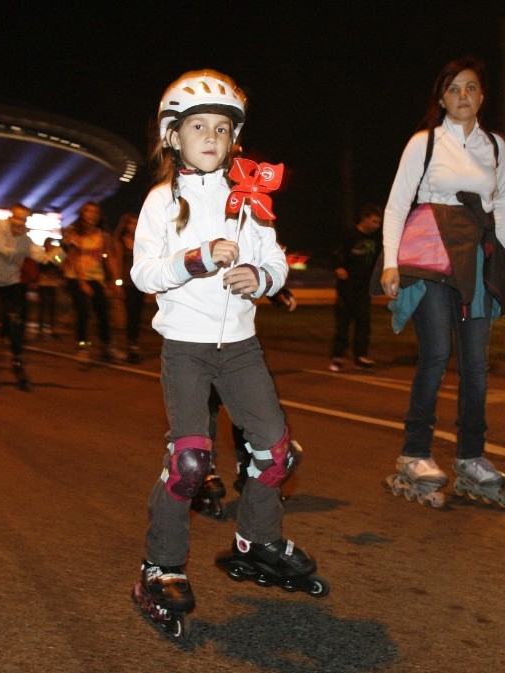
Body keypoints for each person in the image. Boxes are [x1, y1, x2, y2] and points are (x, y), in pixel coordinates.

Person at [130, 70, 325, 634]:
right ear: (174, 137)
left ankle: (258, 540)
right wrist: (196, 259)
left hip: (241, 347)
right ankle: (159, 567)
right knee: (190, 461)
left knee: (278, 453)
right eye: (198, 126)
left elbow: (277, 261)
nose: (211, 136)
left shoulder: (251, 200)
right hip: (186, 348)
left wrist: (259, 277)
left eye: (221, 127)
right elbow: (143, 273)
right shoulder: (160, 202)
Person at [378, 55, 505, 508]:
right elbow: (398, 203)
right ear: (442, 98)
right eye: (454, 89)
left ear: (482, 96)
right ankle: (415, 453)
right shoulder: (426, 143)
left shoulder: (495, 146)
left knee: (475, 363)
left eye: (471, 88)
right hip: (429, 255)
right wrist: (391, 263)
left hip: (474, 258)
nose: (462, 96)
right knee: (436, 354)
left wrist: (503, 263)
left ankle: (472, 456)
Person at [0, 203, 62, 396]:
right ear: (10, 218)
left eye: (23, 219)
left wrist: (62, 251)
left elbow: (46, 259)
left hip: (9, 283)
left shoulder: (27, 242)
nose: (19, 223)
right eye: (16, 218)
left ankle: (17, 360)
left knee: (14, 321)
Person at [61, 201, 124, 365]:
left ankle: (107, 346)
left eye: (95, 212)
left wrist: (117, 283)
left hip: (96, 278)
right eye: (88, 211)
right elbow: (73, 258)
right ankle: (82, 347)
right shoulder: (74, 233)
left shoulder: (103, 235)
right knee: (83, 311)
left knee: (103, 313)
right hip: (75, 277)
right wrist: (82, 283)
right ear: (82, 214)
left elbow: (109, 258)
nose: (92, 215)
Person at [329, 203, 383, 372]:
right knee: (344, 322)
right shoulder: (350, 235)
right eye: (374, 222)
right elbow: (336, 253)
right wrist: (339, 267)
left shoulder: (376, 239)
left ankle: (360, 356)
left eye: (378, 223)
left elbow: (377, 260)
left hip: (364, 287)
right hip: (347, 287)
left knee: (364, 322)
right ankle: (337, 357)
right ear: (365, 219)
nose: (377, 226)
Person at [112, 212, 144, 363]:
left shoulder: (141, 241)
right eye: (131, 223)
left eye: (136, 222)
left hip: (140, 282)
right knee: (128, 315)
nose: (134, 225)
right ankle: (129, 345)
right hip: (127, 282)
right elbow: (117, 263)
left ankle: (134, 344)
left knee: (137, 314)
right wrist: (117, 283)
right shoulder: (120, 242)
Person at [35, 237, 63, 339]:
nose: (51, 246)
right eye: (50, 244)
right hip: (43, 283)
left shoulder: (56, 256)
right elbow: (41, 267)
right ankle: (40, 330)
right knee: (42, 308)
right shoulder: (41, 255)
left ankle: (52, 329)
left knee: (52, 308)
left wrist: (58, 264)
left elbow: (60, 265)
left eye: (52, 244)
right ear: (46, 245)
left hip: (52, 284)